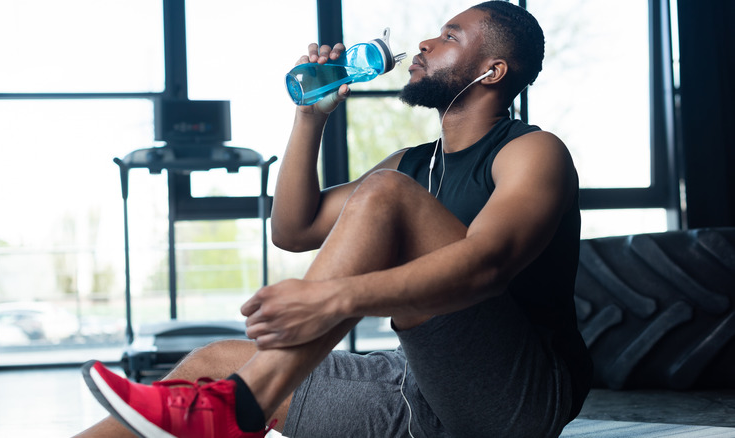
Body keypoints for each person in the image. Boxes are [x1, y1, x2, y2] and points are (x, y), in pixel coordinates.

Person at [77, 2, 592, 437]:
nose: (425, 45)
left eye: (449, 37)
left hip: (516, 398)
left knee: (387, 193)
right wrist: (310, 117)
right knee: (213, 364)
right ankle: (233, 401)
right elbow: (293, 230)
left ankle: (244, 402)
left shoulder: (531, 151)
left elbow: (487, 266)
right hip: (416, 390)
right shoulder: (414, 162)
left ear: (493, 71)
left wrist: (331, 298)